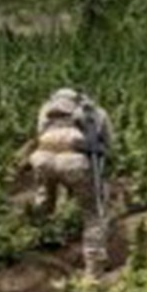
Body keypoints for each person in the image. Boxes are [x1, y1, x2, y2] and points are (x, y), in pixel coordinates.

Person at [29, 88, 112, 279]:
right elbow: (108, 143)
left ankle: (36, 243)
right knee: (93, 214)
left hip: (42, 158)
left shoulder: (47, 109)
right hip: (75, 162)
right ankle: (94, 269)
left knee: (45, 199)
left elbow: (39, 133)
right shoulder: (96, 112)